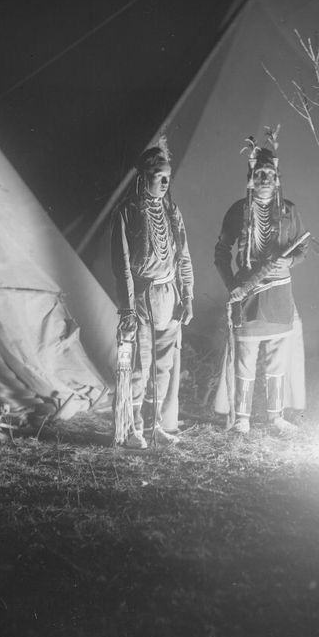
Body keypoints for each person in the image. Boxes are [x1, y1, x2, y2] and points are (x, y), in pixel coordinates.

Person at [214, 128, 309, 434]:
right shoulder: (238, 211)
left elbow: (303, 249)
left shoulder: (289, 211)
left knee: (278, 356)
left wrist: (290, 260)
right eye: (259, 173)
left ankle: (275, 417)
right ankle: (241, 418)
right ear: (250, 177)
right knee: (245, 356)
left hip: (280, 292)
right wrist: (232, 285)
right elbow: (221, 251)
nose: (265, 179)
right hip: (247, 293)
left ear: (277, 177)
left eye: (269, 173)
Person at [111, 137, 193, 449]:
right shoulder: (127, 211)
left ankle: (156, 426)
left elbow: (184, 257)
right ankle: (133, 430)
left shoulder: (173, 212)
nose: (163, 182)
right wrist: (128, 309)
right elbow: (122, 265)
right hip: (142, 300)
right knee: (137, 368)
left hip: (169, 298)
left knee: (163, 368)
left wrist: (188, 297)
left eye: (167, 178)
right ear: (144, 177)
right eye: (158, 176)